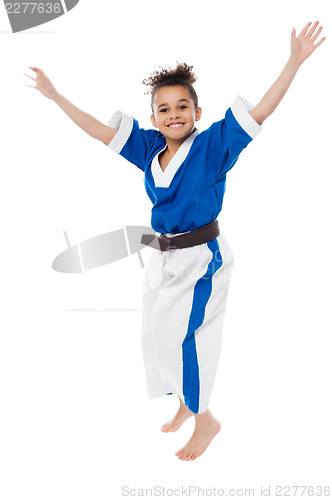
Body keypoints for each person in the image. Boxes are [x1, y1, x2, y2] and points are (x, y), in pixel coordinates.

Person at [26, 21, 325, 461]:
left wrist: (294, 62)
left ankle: (206, 420)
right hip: (165, 257)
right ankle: (187, 402)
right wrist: (55, 96)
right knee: (154, 335)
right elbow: (97, 131)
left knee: (183, 339)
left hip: (202, 258)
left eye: (182, 106)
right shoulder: (149, 149)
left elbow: (261, 111)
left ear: (197, 113)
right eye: (164, 109)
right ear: (154, 119)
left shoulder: (214, 147)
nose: (173, 115)